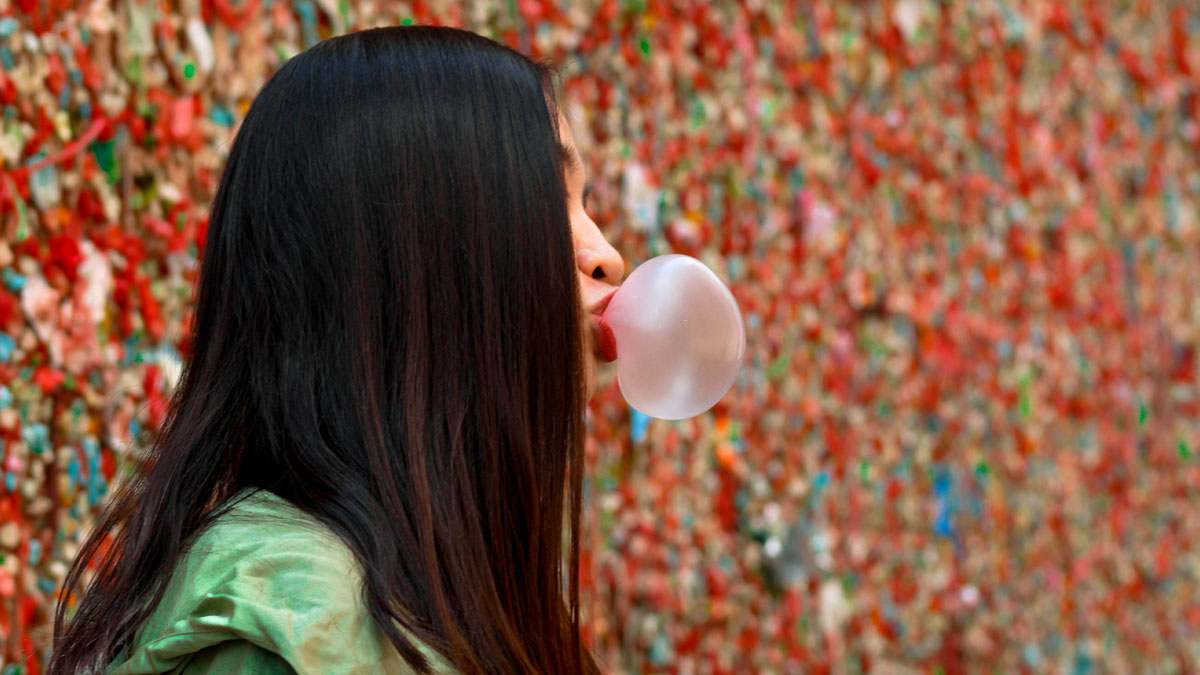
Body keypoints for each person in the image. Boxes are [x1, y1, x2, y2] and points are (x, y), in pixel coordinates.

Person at [49, 24, 624, 675]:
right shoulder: (275, 637)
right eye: (548, 193)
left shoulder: (447, 596)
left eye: (585, 202)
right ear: (413, 253)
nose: (607, 254)